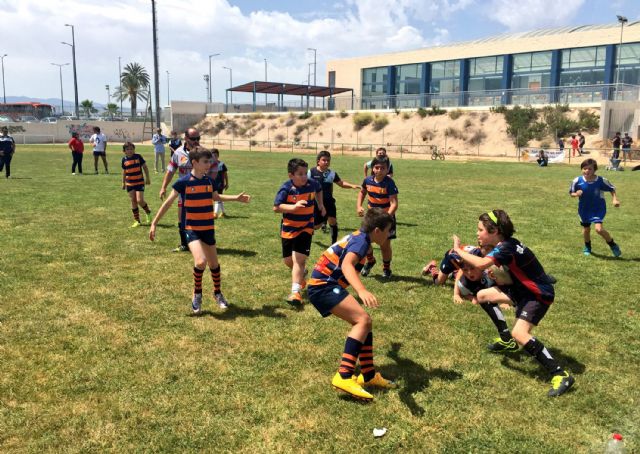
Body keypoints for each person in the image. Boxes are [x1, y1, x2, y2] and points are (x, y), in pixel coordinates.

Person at [452, 210, 575, 397]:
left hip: (537, 295)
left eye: (480, 230)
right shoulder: (505, 245)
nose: (477, 234)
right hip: (521, 290)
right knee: (483, 295)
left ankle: (560, 374)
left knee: (520, 333)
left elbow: (483, 264)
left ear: (494, 231)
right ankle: (506, 340)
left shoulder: (506, 247)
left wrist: (458, 250)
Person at [307, 208, 397, 400]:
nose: (390, 234)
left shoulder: (362, 239)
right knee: (362, 320)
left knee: (366, 323)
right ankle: (344, 376)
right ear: (377, 231)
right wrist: (361, 290)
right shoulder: (361, 242)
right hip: (323, 286)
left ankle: (369, 375)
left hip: (324, 284)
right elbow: (348, 264)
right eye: (388, 230)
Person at [150, 147, 250, 312]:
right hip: (192, 229)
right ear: (194, 163)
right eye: (205, 162)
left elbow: (216, 197)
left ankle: (217, 293)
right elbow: (168, 203)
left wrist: (236, 198)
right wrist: (154, 223)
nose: (208, 165)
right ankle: (197, 294)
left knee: (214, 264)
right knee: (200, 261)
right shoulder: (183, 182)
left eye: (209, 162)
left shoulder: (209, 181)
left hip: (208, 228)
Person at [274, 158, 325, 306]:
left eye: (305, 173)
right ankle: (301, 275)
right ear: (291, 175)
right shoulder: (286, 188)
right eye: (300, 174)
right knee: (288, 261)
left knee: (298, 259)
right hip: (289, 228)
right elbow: (276, 207)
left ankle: (295, 292)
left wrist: (320, 204)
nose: (304, 177)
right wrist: (293, 207)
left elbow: (319, 189)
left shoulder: (312, 184)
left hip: (306, 227)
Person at [159, 128, 200, 252]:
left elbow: (210, 170)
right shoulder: (178, 153)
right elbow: (170, 171)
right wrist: (163, 187)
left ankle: (200, 243)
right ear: (186, 138)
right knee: (181, 217)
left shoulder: (201, 152)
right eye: (194, 139)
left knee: (199, 218)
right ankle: (184, 244)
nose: (197, 141)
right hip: (184, 192)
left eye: (198, 138)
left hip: (199, 192)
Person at [357, 156, 398, 278]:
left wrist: (386, 217)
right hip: (371, 218)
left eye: (383, 168)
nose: (379, 170)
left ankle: (386, 269)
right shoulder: (368, 180)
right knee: (365, 242)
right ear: (372, 168)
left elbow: (394, 204)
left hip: (386, 218)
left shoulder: (389, 183)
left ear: (387, 170)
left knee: (384, 245)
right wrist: (359, 206)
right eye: (377, 167)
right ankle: (370, 261)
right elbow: (362, 192)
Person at [569, 158, 621, 257]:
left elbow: (612, 188)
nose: (587, 171)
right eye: (584, 168)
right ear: (581, 169)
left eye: (590, 169)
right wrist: (576, 194)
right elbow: (571, 193)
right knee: (586, 229)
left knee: (599, 229)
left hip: (598, 208)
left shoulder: (601, 180)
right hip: (584, 209)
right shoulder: (577, 180)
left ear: (594, 170)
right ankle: (587, 247)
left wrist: (615, 199)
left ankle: (612, 244)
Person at [308, 150, 360, 244]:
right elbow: (304, 184)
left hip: (329, 202)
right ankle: (307, 232)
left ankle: (333, 244)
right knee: (317, 226)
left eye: (328, 160)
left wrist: (352, 186)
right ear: (318, 161)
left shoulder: (332, 173)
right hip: (316, 203)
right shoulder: (311, 172)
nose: (326, 162)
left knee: (333, 221)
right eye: (324, 160)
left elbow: (341, 183)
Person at [121, 142, 152, 228]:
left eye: (131, 149)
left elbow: (145, 167)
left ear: (134, 150)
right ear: (124, 151)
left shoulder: (138, 157)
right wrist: (123, 182)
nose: (130, 151)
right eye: (127, 149)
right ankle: (137, 220)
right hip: (130, 183)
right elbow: (124, 172)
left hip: (139, 182)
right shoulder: (124, 160)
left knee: (139, 200)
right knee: (133, 200)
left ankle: (148, 212)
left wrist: (148, 178)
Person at [211, 149, 228, 218]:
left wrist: (227, 183)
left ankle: (215, 213)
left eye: (215, 156)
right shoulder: (209, 165)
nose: (214, 157)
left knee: (217, 198)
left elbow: (225, 174)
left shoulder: (222, 164)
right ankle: (223, 212)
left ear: (218, 156)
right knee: (219, 199)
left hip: (220, 185)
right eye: (212, 156)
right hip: (212, 184)